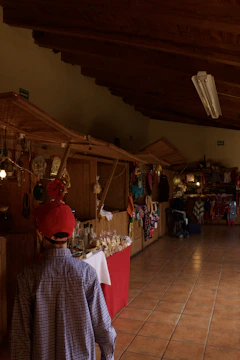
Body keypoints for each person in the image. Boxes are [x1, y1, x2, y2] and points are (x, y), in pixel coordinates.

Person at [11, 200, 116, 360]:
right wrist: (107, 356)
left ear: (39, 234)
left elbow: (21, 338)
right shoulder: (87, 273)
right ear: (71, 234)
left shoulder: (27, 277)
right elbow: (103, 327)